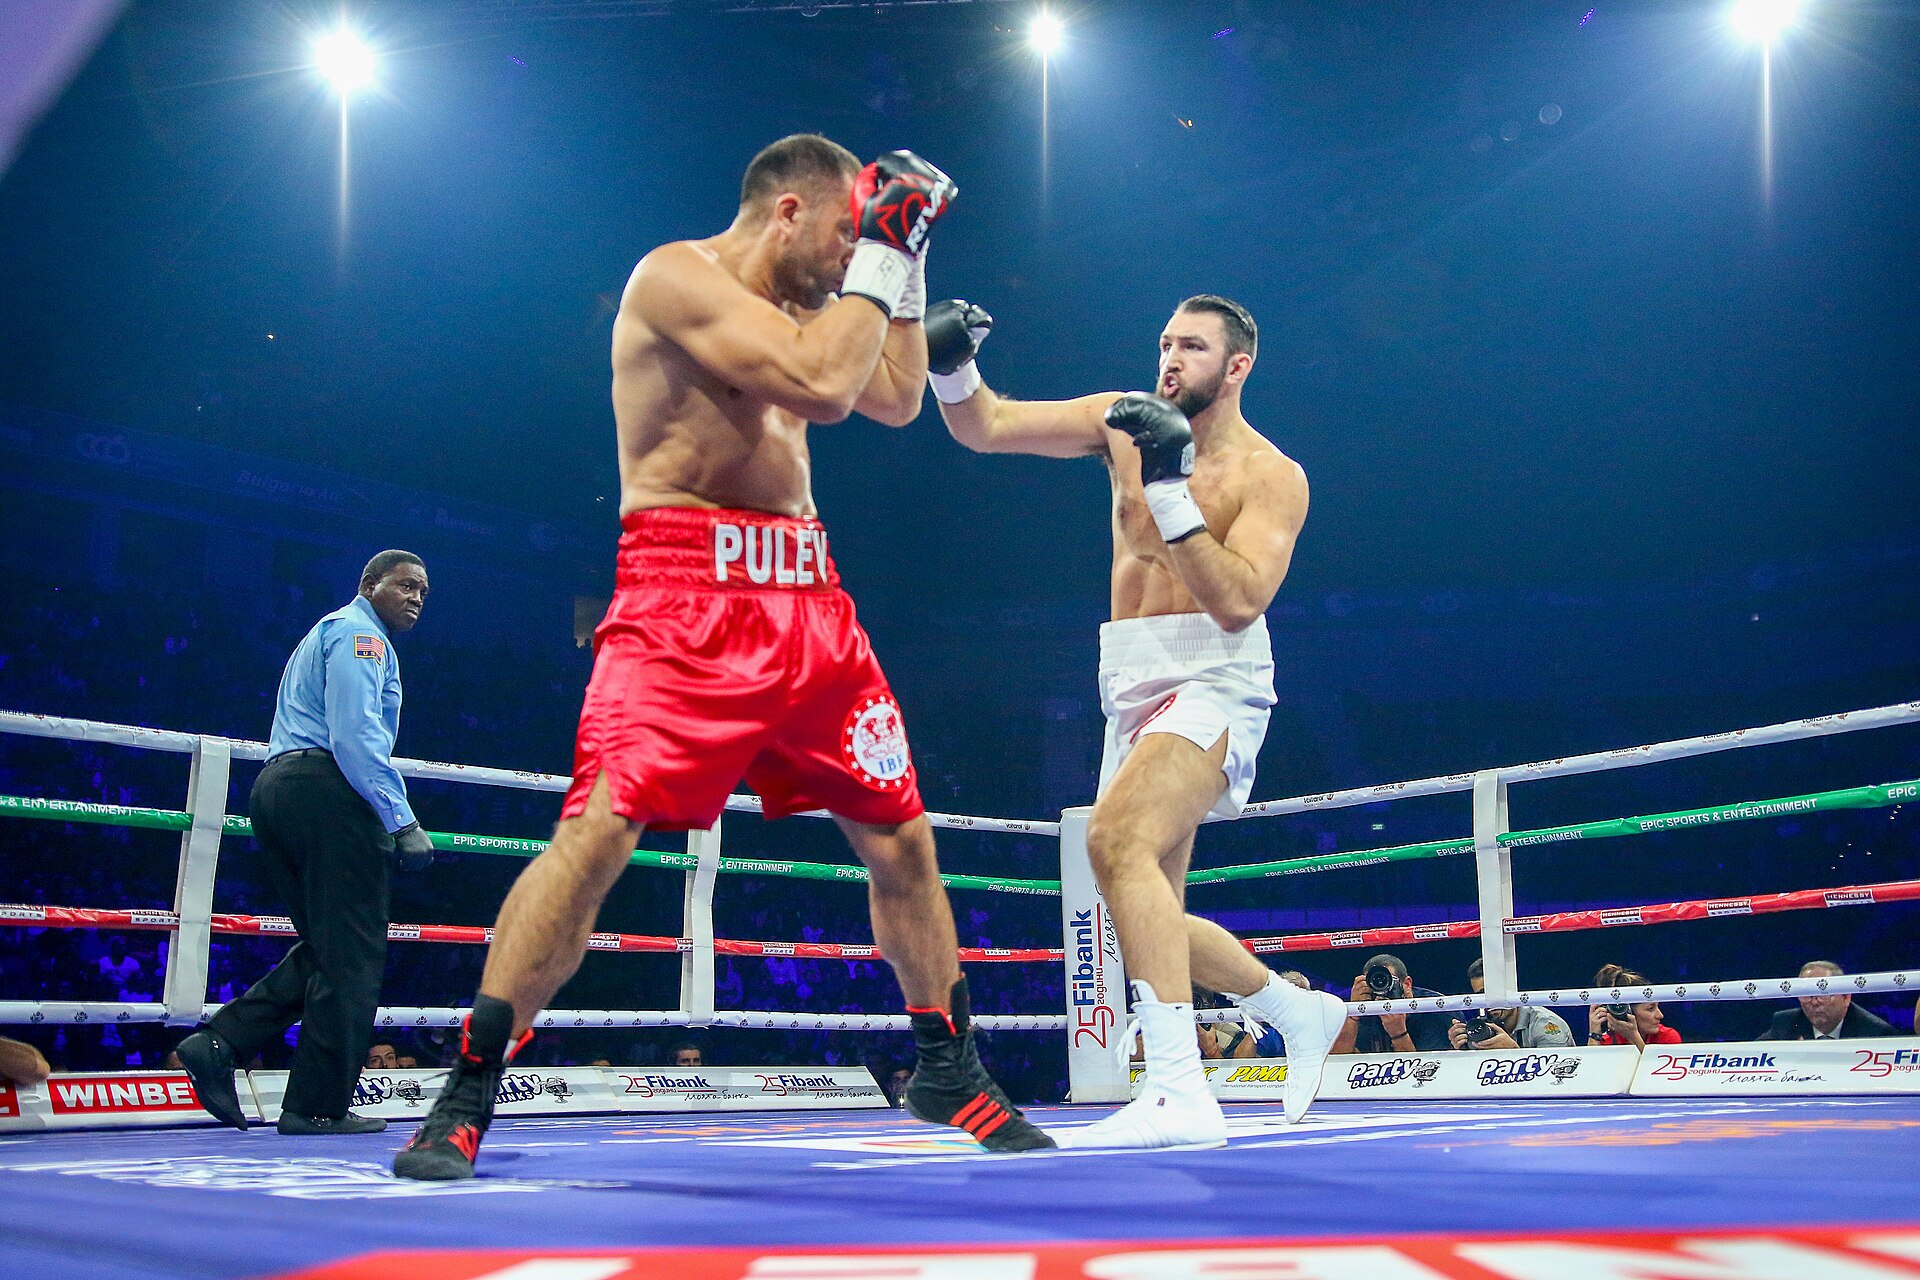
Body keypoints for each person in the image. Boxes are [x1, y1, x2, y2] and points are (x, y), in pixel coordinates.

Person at [395, 135, 1049, 1183]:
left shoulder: (814, 304)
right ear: (788, 210)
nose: (850, 263)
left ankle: (947, 1061)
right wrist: (886, 256)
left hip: (807, 597)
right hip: (680, 598)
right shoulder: (674, 276)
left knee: (905, 841)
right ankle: (467, 1086)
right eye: (847, 235)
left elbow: (890, 395)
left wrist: (908, 259)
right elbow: (827, 387)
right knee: (597, 833)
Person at [932, 294, 1346, 1148]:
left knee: (1114, 847)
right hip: (1128, 677)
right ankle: (1293, 1010)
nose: (1169, 360)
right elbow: (989, 425)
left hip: (1216, 676)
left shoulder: (1273, 475)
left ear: (1237, 367)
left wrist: (1168, 487)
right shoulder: (1123, 422)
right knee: (1145, 907)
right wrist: (951, 365)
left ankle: (1178, 1094)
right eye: (1164, 342)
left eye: (1191, 347)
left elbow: (1238, 602)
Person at [176, 550, 436, 1136]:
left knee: (330, 946)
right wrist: (400, 818)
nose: (417, 598)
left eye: (424, 591)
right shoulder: (360, 637)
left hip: (283, 788)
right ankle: (315, 1105)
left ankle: (220, 1044)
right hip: (328, 792)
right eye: (406, 586)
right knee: (354, 953)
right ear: (369, 585)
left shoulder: (329, 632)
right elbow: (354, 733)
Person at [1331, 953, 1452, 1055]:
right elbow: (1339, 1063)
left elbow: (1423, 1074)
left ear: (1407, 985)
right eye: (1375, 982)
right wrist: (1354, 1013)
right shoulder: (1362, 1008)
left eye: (1388, 980)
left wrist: (1398, 1033)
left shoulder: (1435, 1008)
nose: (1381, 987)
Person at [1446, 957, 1573, 1051]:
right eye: (1481, 995)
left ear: (1511, 988)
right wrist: (1461, 1050)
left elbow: (1554, 1079)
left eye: (1493, 992)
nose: (1489, 1001)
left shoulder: (1545, 1024)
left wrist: (1513, 1052)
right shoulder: (1482, 1029)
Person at [1756, 960, 1897, 1041]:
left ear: (1846, 997)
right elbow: (1753, 1054)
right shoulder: (1786, 1024)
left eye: (1822, 994)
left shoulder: (1875, 1032)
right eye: (1807, 994)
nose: (1815, 1002)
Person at [1586, 963, 1681, 1048]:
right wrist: (1594, 1035)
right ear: (1628, 1012)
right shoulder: (1606, 1042)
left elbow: (1654, 1067)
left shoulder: (1668, 1037)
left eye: (1657, 1007)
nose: (1660, 1015)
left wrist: (1634, 1038)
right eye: (1651, 1009)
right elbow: (1590, 1067)